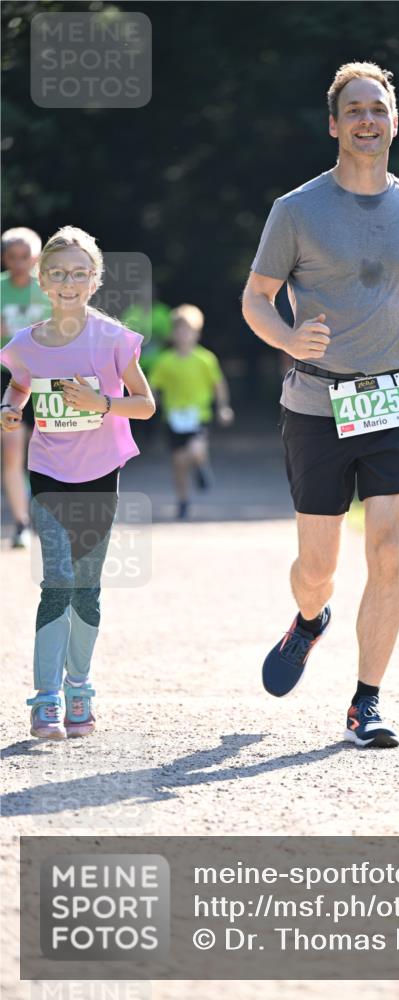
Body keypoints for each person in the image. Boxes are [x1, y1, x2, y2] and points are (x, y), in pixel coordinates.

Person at [241, 61, 399, 748]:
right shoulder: (297, 210)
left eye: (378, 108)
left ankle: (365, 702)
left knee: (388, 550)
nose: (368, 120)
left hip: (396, 396)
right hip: (317, 403)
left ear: (393, 122)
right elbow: (255, 297)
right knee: (317, 569)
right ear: (334, 124)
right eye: (355, 110)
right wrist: (287, 335)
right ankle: (310, 620)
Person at [0, 226, 155, 740]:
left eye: (79, 273)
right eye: (59, 273)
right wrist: (9, 408)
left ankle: (79, 689)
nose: (69, 282)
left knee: (86, 588)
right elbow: (21, 385)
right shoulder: (26, 343)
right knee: (56, 582)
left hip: (99, 473)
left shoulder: (113, 339)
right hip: (48, 471)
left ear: (95, 280)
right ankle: (45, 700)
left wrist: (102, 404)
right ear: (43, 281)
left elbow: (146, 404)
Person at [150, 304, 234, 519]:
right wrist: (151, 403)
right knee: (178, 463)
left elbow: (218, 385)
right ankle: (183, 500)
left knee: (196, 450)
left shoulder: (205, 359)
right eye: (179, 330)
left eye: (188, 330)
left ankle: (201, 464)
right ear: (172, 334)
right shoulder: (164, 361)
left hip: (199, 416)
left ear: (197, 333)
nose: (184, 335)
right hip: (174, 418)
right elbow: (153, 387)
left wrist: (223, 407)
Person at [1, 228, 52, 548]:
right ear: (5, 258)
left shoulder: (49, 290)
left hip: (47, 376)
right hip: (8, 377)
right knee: (11, 450)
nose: (20, 263)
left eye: (27, 256)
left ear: (37, 258)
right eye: (13, 257)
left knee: (48, 450)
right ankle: (21, 523)